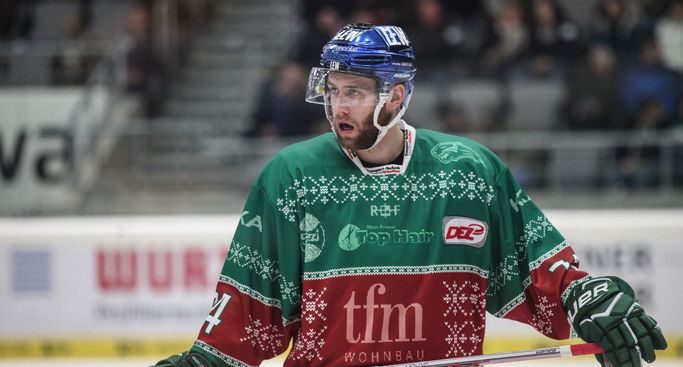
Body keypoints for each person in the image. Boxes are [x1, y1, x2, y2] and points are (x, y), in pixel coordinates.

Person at [151, 23, 667, 367]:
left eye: (353, 91)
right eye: (332, 90)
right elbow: (250, 312)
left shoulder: (469, 172)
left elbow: (541, 275)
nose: (337, 106)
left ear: (396, 95)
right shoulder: (293, 176)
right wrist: (204, 361)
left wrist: (588, 296)